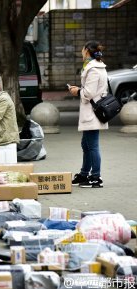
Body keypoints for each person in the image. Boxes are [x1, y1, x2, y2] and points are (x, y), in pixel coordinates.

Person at [68, 41, 108, 188]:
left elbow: (89, 93)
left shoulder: (93, 69)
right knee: (86, 144)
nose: (81, 51)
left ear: (86, 51)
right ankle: (84, 174)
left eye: (82, 49)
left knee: (92, 146)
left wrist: (77, 91)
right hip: (93, 110)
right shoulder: (97, 66)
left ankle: (96, 177)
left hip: (93, 111)